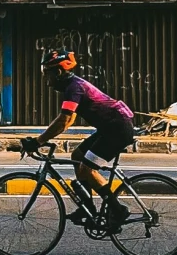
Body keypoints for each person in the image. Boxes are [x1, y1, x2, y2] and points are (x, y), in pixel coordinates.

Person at [23, 49, 137, 232]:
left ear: (58, 72)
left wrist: (38, 141)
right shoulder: (73, 86)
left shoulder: (74, 87)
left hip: (117, 130)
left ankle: (118, 209)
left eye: (48, 75)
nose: (47, 81)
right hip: (109, 128)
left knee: (87, 169)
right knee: (77, 155)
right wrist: (42, 139)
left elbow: (65, 120)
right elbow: (69, 118)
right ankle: (88, 207)